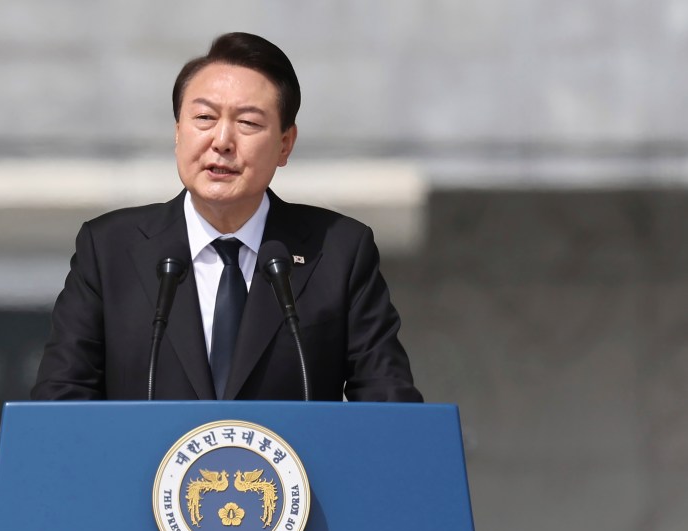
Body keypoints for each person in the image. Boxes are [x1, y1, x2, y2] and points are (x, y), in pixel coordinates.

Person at [32, 32, 423, 403]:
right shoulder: (109, 249)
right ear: (178, 132)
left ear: (285, 144)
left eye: (248, 123)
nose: (221, 141)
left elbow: (389, 403)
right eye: (204, 118)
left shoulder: (338, 250)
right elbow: (60, 403)